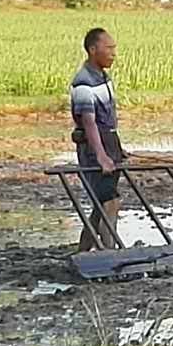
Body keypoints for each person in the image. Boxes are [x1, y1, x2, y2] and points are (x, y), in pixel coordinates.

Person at [70, 28, 125, 251]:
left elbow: (106, 120)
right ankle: (111, 254)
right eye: (109, 48)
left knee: (101, 205)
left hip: (109, 142)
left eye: (114, 48)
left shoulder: (103, 77)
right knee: (110, 203)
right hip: (95, 148)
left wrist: (116, 148)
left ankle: (82, 252)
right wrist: (102, 156)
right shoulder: (83, 83)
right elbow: (89, 123)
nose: (113, 53)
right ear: (93, 50)